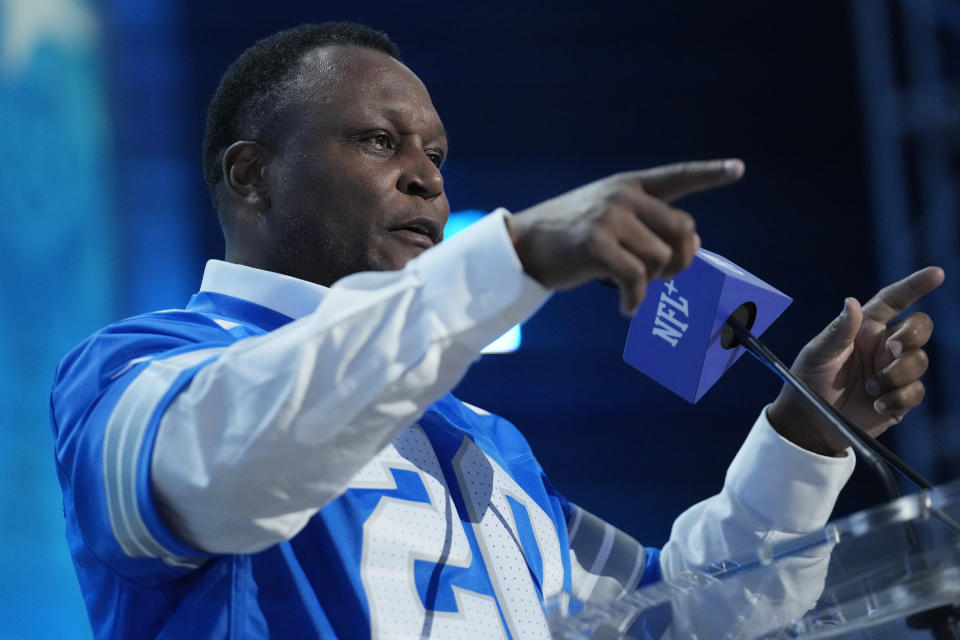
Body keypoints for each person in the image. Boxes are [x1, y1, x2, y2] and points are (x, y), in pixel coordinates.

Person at [50, 22, 943, 639]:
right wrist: (513, 256)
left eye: (435, 155)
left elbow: (676, 618)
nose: (425, 180)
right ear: (252, 176)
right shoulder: (138, 372)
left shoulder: (488, 446)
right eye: (377, 142)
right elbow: (234, 459)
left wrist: (804, 440)